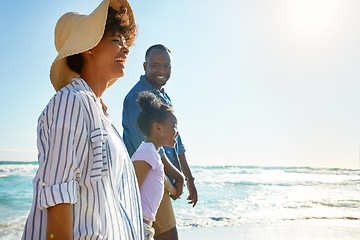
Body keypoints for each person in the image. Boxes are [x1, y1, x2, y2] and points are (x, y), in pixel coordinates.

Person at [22, 0, 143, 239]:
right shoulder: (71, 101)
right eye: (115, 40)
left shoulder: (100, 114)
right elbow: (59, 196)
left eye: (125, 41)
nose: (126, 48)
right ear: (88, 47)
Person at [122, 44, 198, 240]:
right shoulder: (136, 98)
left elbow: (177, 143)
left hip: (161, 180)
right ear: (144, 65)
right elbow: (148, 146)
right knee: (168, 237)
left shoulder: (165, 97)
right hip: (148, 180)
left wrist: (188, 179)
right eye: (155, 65)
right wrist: (177, 177)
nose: (162, 71)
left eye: (167, 66)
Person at [131, 91, 178, 240]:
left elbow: (161, 180)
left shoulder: (152, 154)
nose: (176, 132)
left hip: (145, 228)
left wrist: (175, 190)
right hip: (138, 229)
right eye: (173, 126)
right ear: (157, 128)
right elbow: (129, 192)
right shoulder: (146, 153)